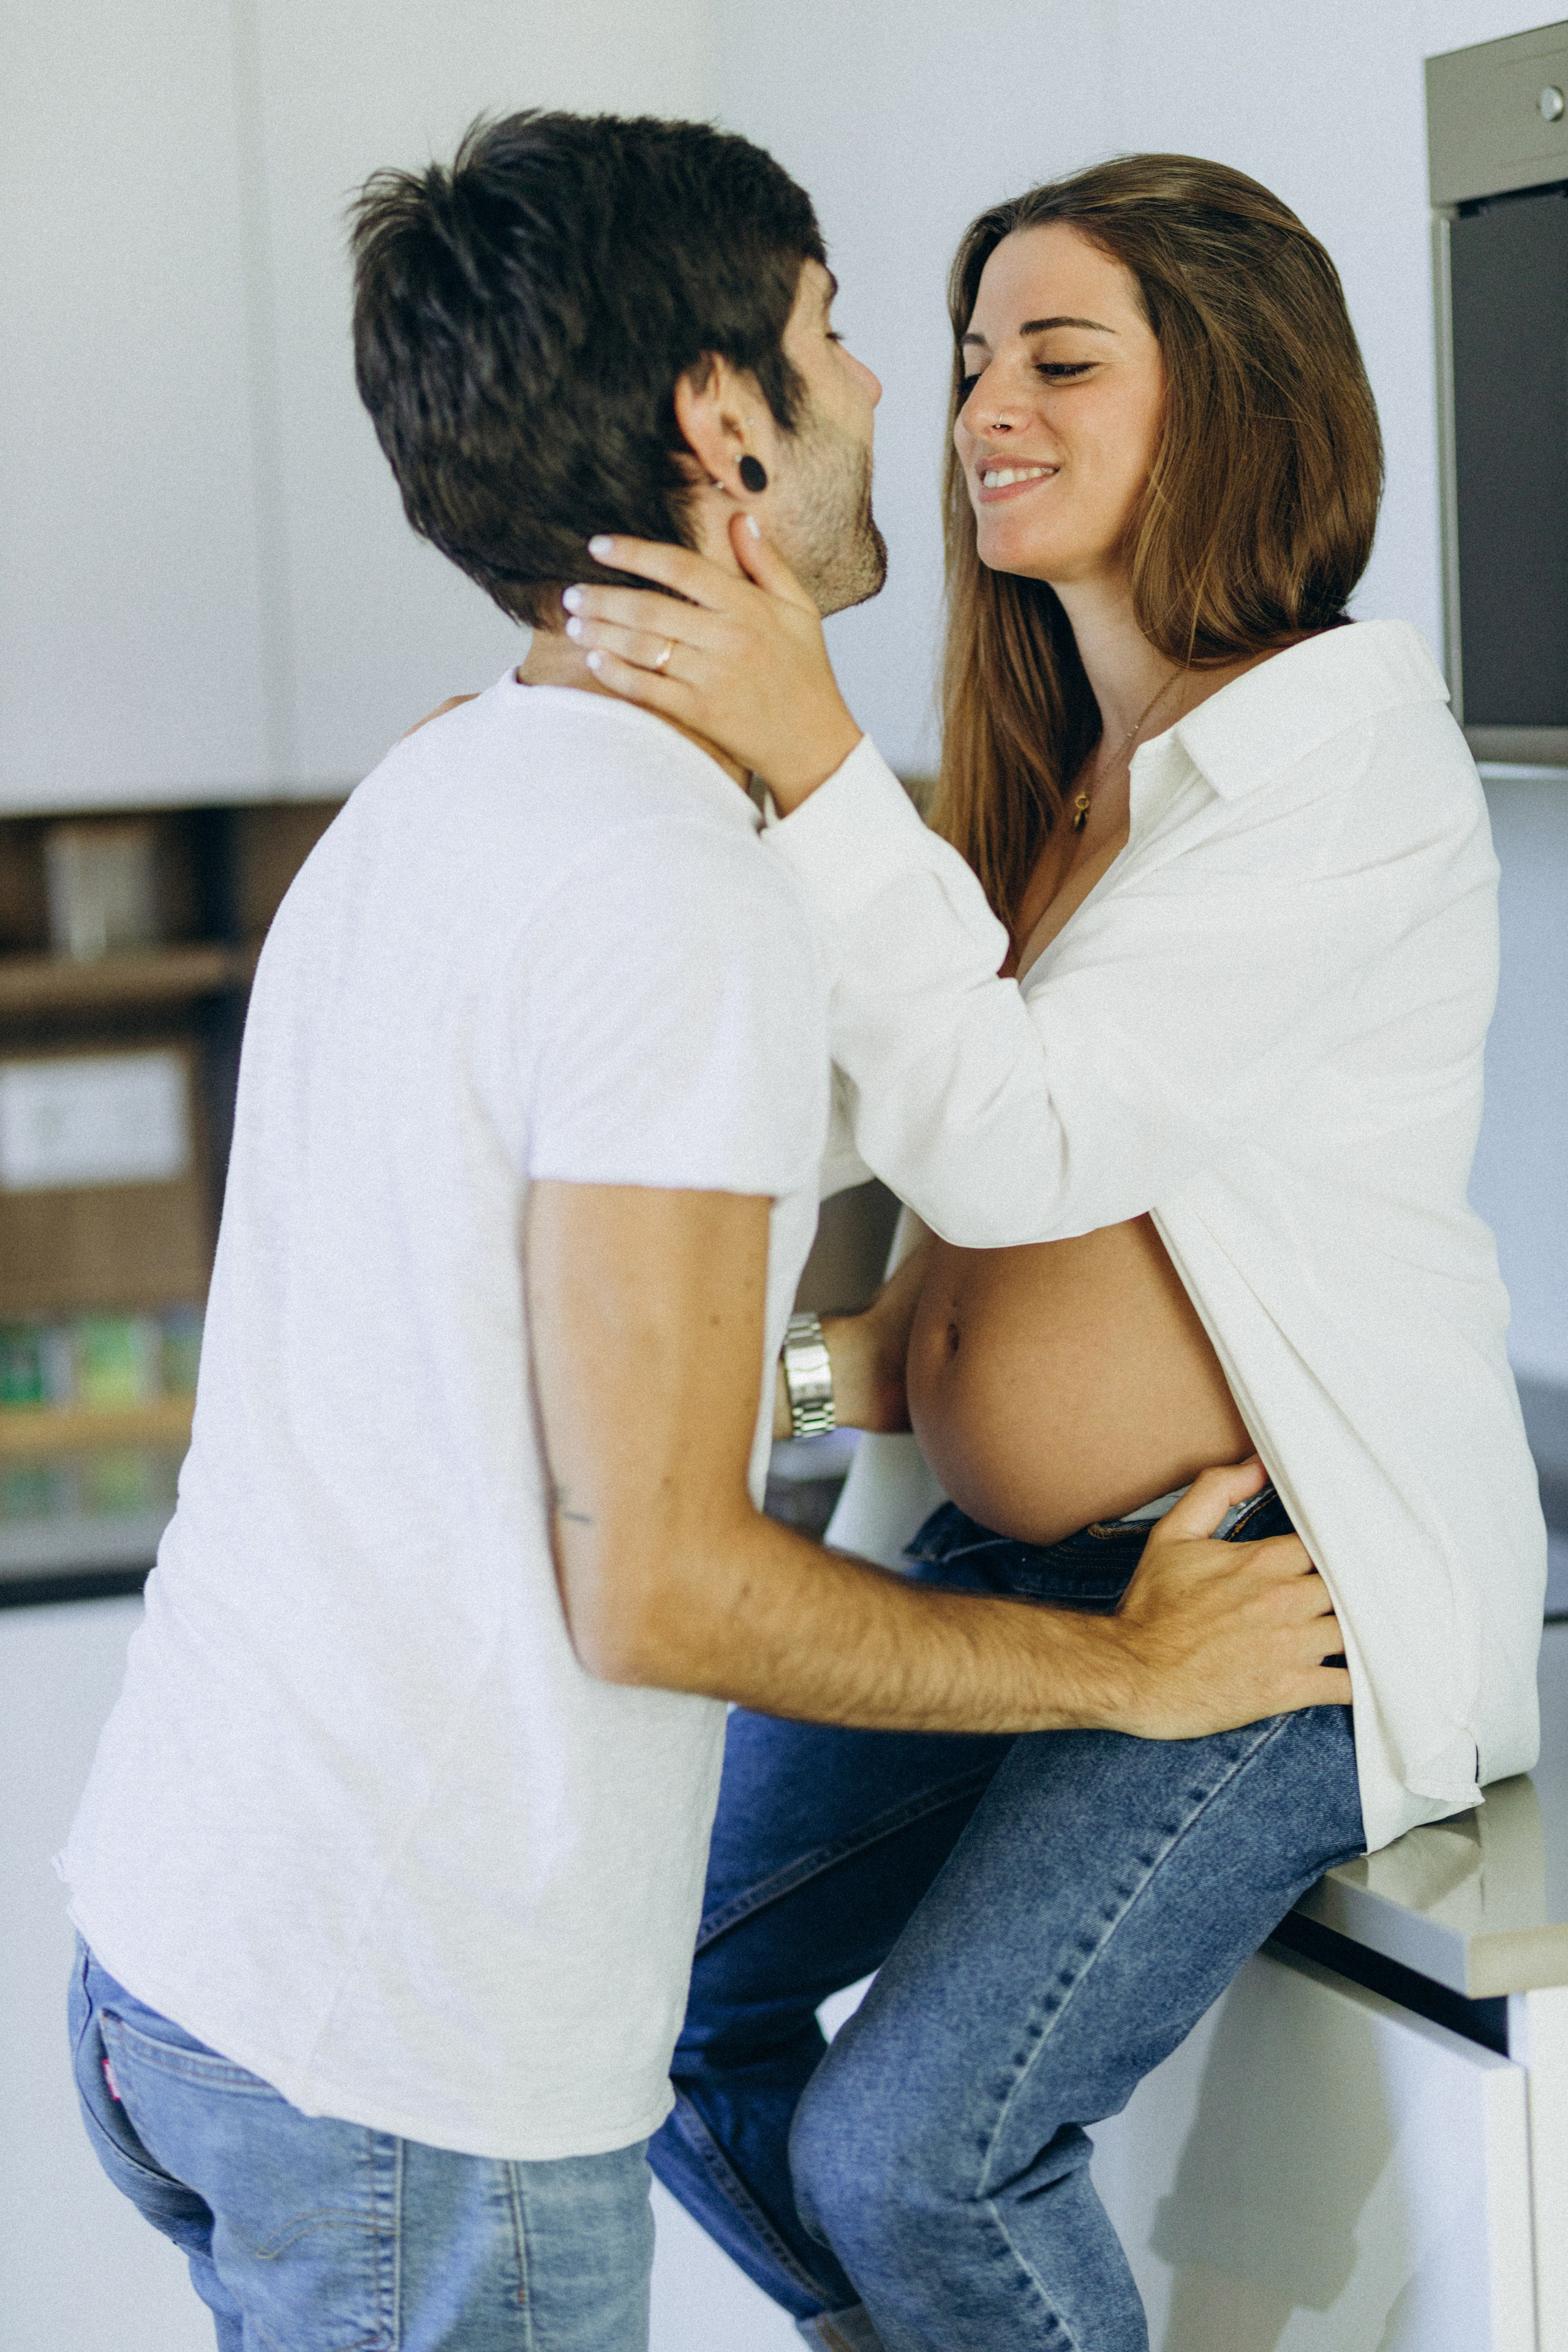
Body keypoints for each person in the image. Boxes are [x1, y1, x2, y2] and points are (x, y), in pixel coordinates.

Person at [55, 123, 1341, 2352]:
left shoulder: (438, 793)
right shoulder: (664, 894)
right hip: (409, 2077)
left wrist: (888, 1379)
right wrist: (1131, 1668)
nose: (905, 408)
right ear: (726, 421)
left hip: (188, 1961)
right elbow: (654, 1575)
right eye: (849, 334)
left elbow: (669, 1377)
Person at [556, 154, 1548, 2351]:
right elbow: (910, 1342)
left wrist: (809, 752)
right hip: (1018, 1595)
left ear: (1235, 402)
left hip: (1264, 1600)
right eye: (979, 352)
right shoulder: (1057, 784)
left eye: (1065, 356)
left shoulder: (1339, 761)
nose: (988, 398)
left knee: (913, 2162)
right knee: (621, 2008)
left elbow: (1017, 1147)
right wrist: (745, 1403)